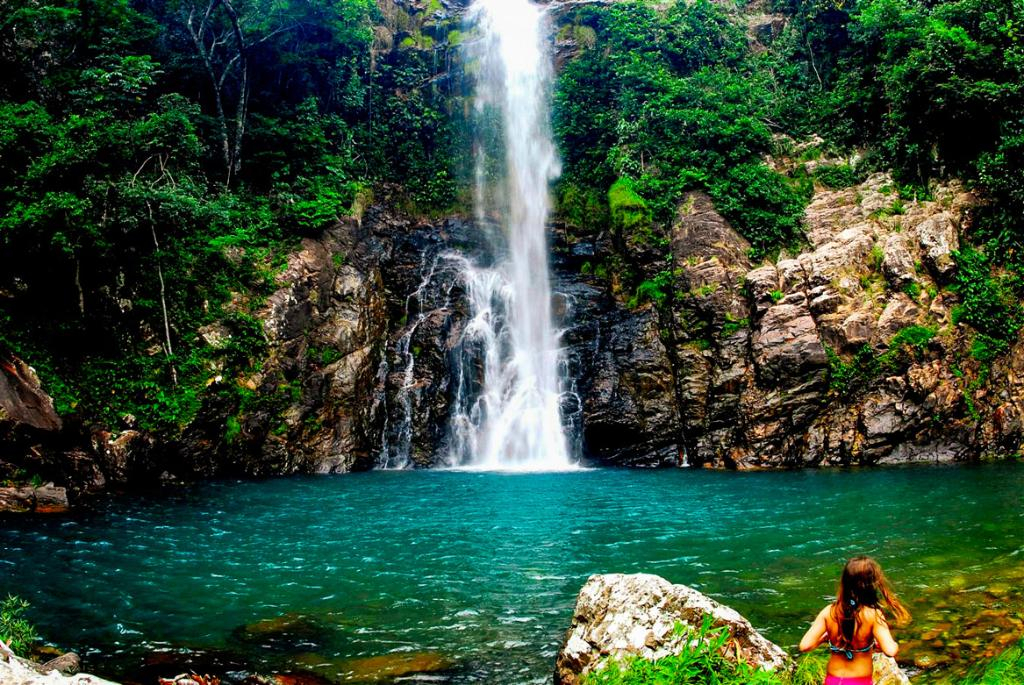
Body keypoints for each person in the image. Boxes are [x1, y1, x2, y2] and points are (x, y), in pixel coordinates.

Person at [799, 556, 911, 685]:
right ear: (871, 583)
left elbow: (805, 646)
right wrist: (887, 645)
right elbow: (890, 650)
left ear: (844, 582)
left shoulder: (829, 611)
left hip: (833, 680)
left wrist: (824, 639)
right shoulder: (873, 614)